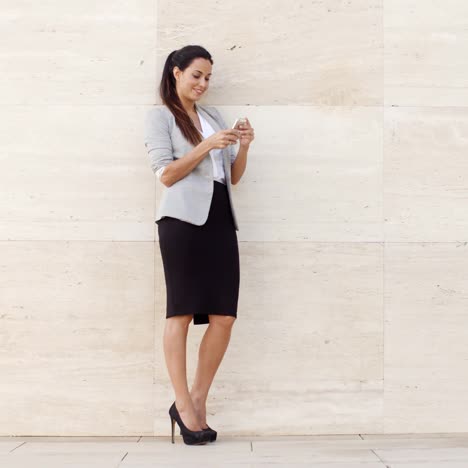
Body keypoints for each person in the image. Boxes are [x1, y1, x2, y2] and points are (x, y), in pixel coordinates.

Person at [143, 45, 255, 445]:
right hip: (182, 222)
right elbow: (167, 175)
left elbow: (232, 178)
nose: (203, 84)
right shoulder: (160, 117)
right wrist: (207, 146)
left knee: (224, 316)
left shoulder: (213, 117)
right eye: (196, 75)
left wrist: (243, 146)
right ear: (175, 72)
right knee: (182, 314)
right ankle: (182, 405)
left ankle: (197, 399)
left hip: (221, 219)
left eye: (208, 77)